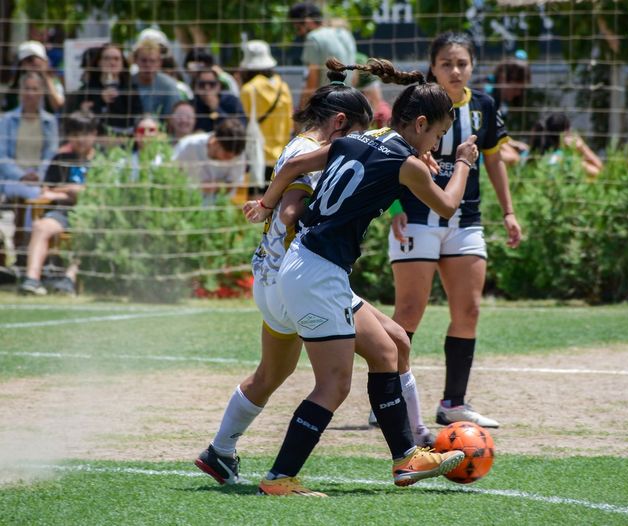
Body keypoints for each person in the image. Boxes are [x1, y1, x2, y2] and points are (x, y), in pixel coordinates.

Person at [235, 57, 477, 496]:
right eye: (438, 135)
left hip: (308, 265)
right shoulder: (409, 165)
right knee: (334, 384)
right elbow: (445, 205)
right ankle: (279, 478)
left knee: (388, 349)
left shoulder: (362, 139)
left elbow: (291, 168)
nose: (439, 144)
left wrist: (267, 204)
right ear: (421, 124)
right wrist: (462, 162)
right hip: (317, 273)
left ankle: (406, 459)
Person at [379, 32, 522, 435]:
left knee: (469, 310)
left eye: (462, 63)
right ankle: (385, 395)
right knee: (409, 311)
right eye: (447, 63)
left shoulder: (484, 106)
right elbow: (387, 155)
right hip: (415, 216)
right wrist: (391, 207)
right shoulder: (416, 103)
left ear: (473, 66)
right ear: (432, 66)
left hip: (466, 219)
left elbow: (494, 162)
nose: (455, 70)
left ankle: (453, 404)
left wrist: (509, 212)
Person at [18, 111, 98, 296]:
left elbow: (97, 194)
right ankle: (32, 279)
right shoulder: (60, 160)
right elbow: (46, 191)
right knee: (40, 226)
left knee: (89, 231)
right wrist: (72, 190)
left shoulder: (103, 160)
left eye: (85, 134)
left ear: (94, 134)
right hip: (62, 213)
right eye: (75, 135)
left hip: (92, 215)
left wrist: (64, 191)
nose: (80, 140)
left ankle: (69, 279)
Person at [238, 40, 294, 183]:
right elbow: (290, 123)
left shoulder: (248, 90)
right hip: (281, 156)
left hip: (256, 155)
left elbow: (243, 123)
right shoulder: (283, 87)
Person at [0, 72, 59, 201]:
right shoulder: (7, 120)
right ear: (20, 91)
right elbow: (2, 157)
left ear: (42, 92)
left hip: (39, 179)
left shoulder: (50, 121)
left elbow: (51, 154)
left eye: (35, 89)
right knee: (36, 194)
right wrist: (22, 176)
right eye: (26, 88)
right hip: (11, 179)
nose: (30, 93)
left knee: (38, 193)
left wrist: (39, 175)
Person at [288, 2, 357, 108]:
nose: (299, 33)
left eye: (298, 28)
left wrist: (302, 110)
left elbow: (312, 81)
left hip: (327, 105)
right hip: (348, 101)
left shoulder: (313, 38)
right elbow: (354, 74)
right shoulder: (345, 34)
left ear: (307, 22)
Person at [67, 43, 144, 137]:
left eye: (116, 59)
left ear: (122, 63)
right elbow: (77, 118)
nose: (112, 62)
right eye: (107, 58)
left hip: (125, 139)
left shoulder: (130, 89)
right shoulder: (87, 90)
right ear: (99, 62)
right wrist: (100, 100)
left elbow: (137, 117)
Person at [172, 118, 246, 205]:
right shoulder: (188, 145)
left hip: (219, 207)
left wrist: (214, 187)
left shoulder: (238, 154)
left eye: (233, 158)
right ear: (214, 142)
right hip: (183, 204)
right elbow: (168, 173)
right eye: (226, 156)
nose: (229, 160)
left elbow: (233, 183)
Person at [486, 53, 531, 165]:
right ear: (503, 78)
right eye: (516, 88)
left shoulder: (499, 99)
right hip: (477, 147)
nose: (518, 93)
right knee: (514, 158)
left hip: (487, 142)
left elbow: (494, 130)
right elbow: (486, 132)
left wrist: (512, 143)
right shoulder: (487, 95)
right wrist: (511, 145)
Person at [531, 112, 604, 178]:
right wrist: (583, 147)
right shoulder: (568, 159)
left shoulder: (535, 157)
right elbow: (601, 173)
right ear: (567, 133)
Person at [2, 40, 65, 114]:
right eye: (26, 60)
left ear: (43, 60)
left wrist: (45, 75)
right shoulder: (16, 84)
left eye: (33, 59)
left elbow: (58, 104)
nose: (30, 64)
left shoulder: (54, 82)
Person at [132, 38, 182, 117]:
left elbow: (173, 118)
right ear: (135, 60)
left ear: (159, 62)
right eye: (144, 60)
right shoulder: (127, 83)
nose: (148, 65)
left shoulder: (169, 86)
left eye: (152, 61)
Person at [191, 68, 246, 133]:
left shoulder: (231, 101)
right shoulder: (191, 105)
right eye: (202, 85)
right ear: (196, 87)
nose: (207, 88)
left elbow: (240, 128)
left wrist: (216, 109)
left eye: (211, 84)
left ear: (218, 86)